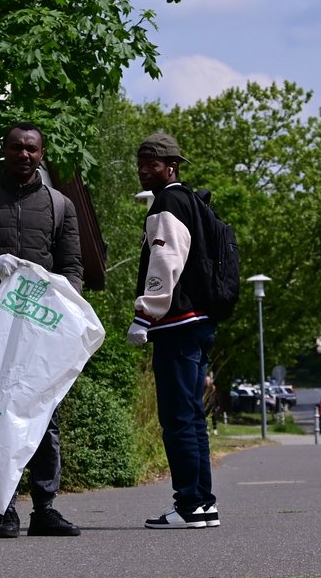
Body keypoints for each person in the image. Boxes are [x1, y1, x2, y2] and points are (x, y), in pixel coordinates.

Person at [0, 121, 83, 539]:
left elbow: (73, 269)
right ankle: (4, 509)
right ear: (4, 151)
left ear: (42, 154)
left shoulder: (61, 206)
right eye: (17, 148)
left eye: (32, 149)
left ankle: (45, 509)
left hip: (42, 330)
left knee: (44, 416)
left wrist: (66, 306)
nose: (24, 155)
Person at [127, 132, 219, 529]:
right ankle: (202, 504)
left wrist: (144, 315)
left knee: (178, 418)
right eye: (141, 164)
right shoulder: (194, 202)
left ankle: (188, 504)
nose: (145, 170)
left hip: (177, 325)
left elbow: (165, 263)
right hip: (199, 321)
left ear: (172, 167)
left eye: (153, 164)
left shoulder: (168, 202)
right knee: (193, 417)